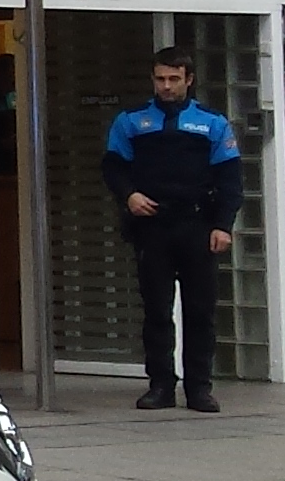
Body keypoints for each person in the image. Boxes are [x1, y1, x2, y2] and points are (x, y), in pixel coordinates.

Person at [102, 47, 243, 411]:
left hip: (197, 225)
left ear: (188, 80)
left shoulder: (212, 122)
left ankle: (199, 387)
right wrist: (128, 195)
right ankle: (161, 385)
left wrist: (222, 226)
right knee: (157, 311)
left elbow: (230, 179)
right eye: (160, 79)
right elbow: (113, 167)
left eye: (174, 79)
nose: (166, 86)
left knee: (200, 311)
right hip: (152, 226)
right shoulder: (131, 120)